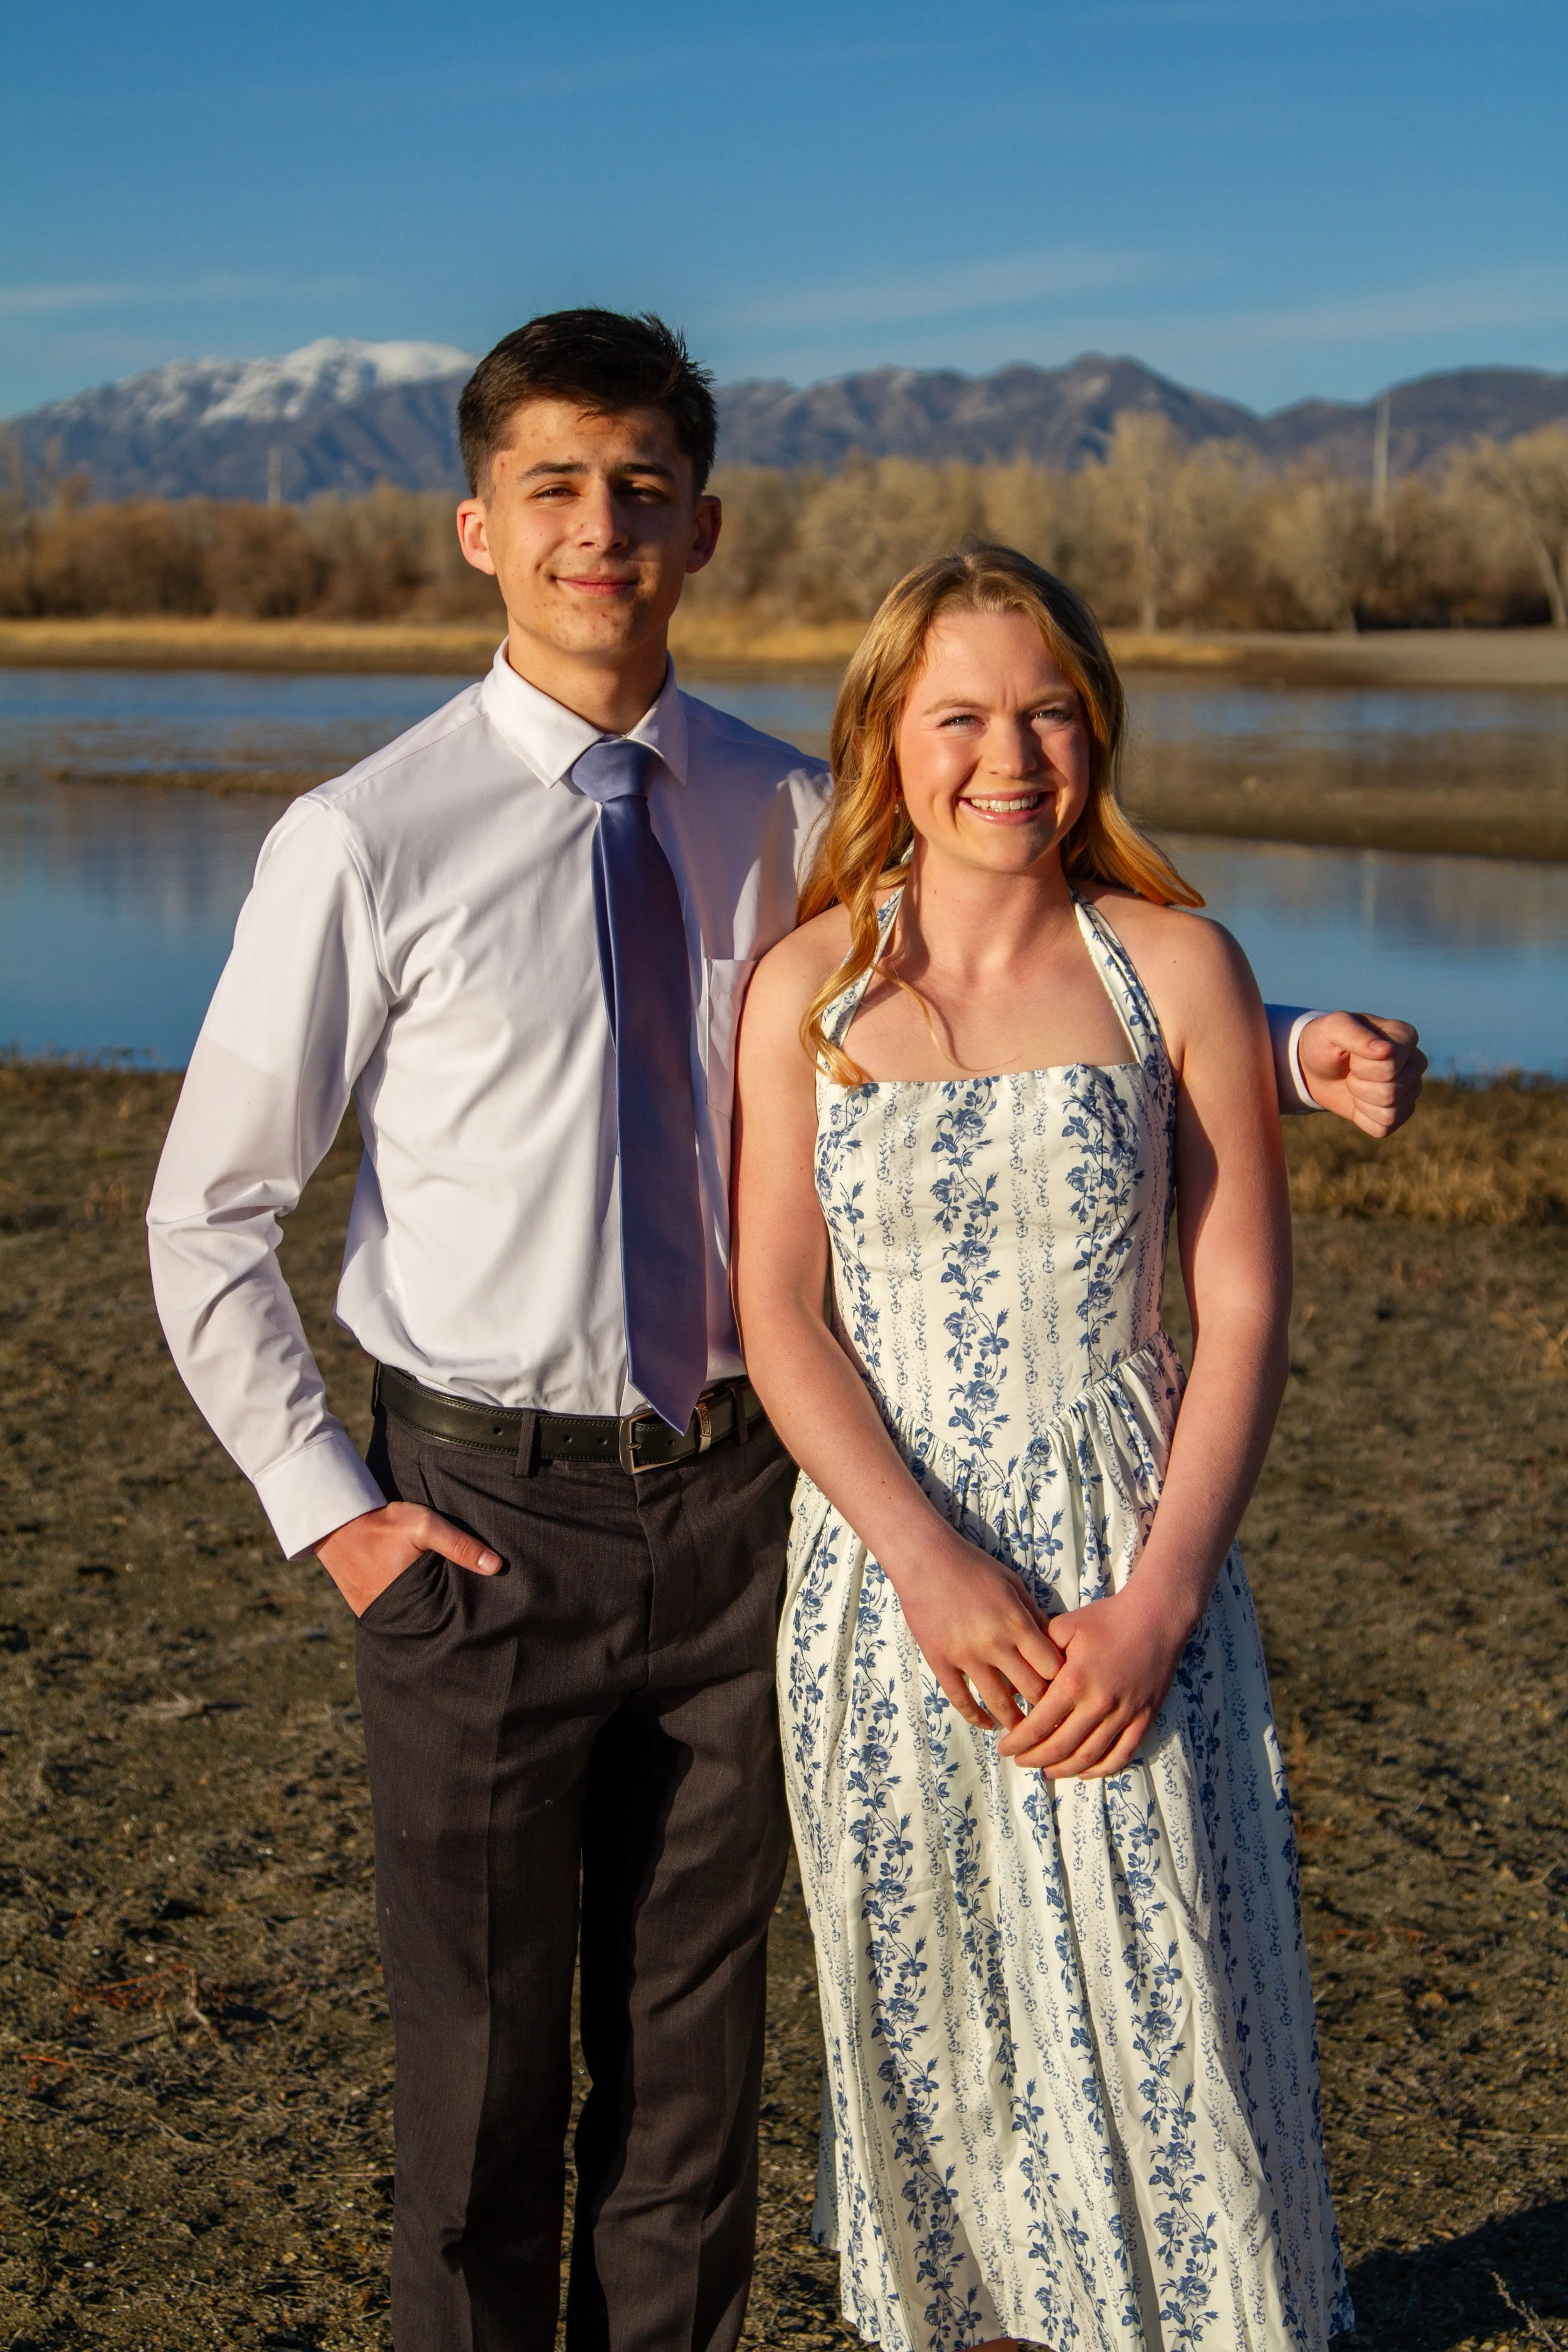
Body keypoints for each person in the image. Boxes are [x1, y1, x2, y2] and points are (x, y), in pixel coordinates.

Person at [147, 312, 1414, 2352]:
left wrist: (1275, 1040)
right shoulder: (359, 838)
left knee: (692, 2084)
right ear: (479, 525)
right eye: (553, 485)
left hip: (749, 1506)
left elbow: (1005, 966)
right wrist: (335, 1513)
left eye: (640, 487)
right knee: (475, 2092)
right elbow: (203, 1213)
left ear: (702, 527)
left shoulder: (778, 806)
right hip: (479, 1513)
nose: (598, 527)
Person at [733, 544, 1357, 2352]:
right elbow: (781, 1312)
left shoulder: (1176, 967)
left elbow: (1235, 1310)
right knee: (936, 2022)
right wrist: (922, 1563)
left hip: (1118, 1561)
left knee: (1155, 1996)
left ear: (1095, 731)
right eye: (959, 717)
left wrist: (1156, 1602)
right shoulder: (808, 994)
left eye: (1049, 712)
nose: (1008, 755)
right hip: (882, 1580)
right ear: (882, 738)